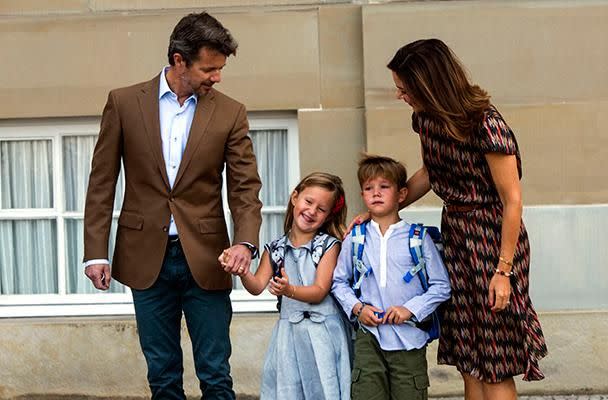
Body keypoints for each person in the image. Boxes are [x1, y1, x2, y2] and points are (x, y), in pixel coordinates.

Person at [83, 12, 262, 400]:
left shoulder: (231, 111)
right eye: (209, 69)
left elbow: (245, 187)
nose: (217, 77)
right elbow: (102, 181)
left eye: (220, 69)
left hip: (209, 257)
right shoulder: (124, 102)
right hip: (145, 258)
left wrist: (245, 244)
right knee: (162, 376)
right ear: (179, 60)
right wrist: (95, 252)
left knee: (216, 374)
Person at [376, 38, 547, 400]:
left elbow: (512, 200)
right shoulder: (426, 120)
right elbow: (432, 170)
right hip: (454, 236)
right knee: (469, 354)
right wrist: (390, 204)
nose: (400, 96)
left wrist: (504, 271)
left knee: (495, 356)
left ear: (428, 84)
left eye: (405, 88)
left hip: (491, 239)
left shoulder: (486, 124)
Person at [332, 155, 451, 400]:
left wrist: (411, 309)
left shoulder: (418, 238)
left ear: (401, 194)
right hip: (369, 338)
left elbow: (441, 286)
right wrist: (357, 308)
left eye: (384, 187)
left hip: (409, 339)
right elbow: (339, 282)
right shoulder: (355, 238)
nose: (376, 193)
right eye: (368, 188)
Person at [223, 172, 351, 400]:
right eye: (308, 202)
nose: (312, 211)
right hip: (289, 334)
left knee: (324, 388)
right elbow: (256, 286)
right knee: (288, 389)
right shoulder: (275, 248)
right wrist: (242, 271)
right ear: (295, 197)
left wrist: (288, 290)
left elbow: (320, 291)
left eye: (321, 209)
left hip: (323, 333)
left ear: (328, 215)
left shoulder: (329, 246)